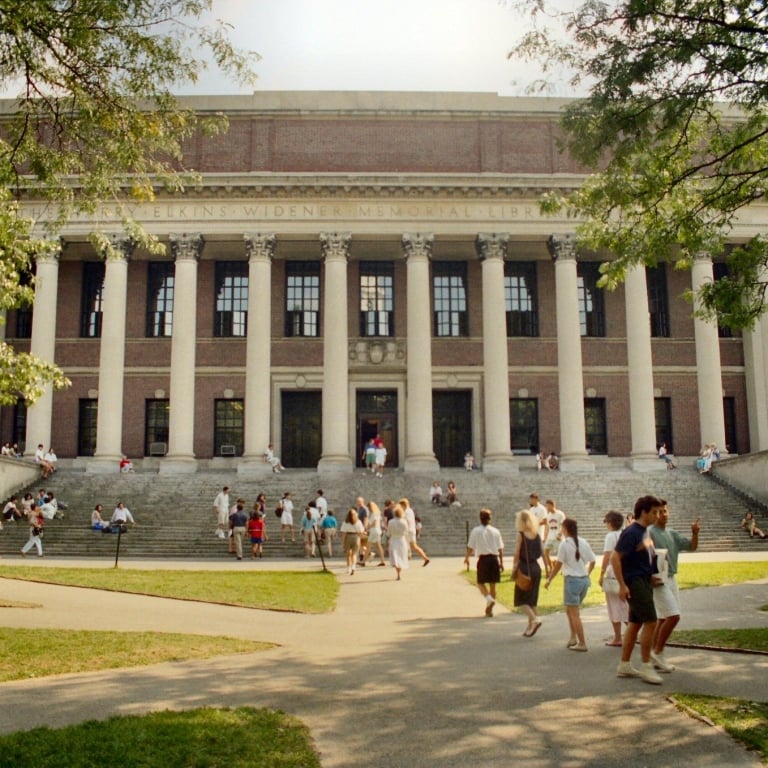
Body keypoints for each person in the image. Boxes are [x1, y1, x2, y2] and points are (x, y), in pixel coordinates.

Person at [610, 494, 664, 685]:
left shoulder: (644, 532)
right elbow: (615, 558)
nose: (658, 515)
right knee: (651, 621)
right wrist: (623, 585)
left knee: (635, 623)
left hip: (643, 580)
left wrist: (650, 575)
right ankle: (646, 666)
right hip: (634, 582)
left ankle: (624, 665)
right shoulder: (632, 532)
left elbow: (638, 556)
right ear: (644, 512)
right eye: (655, 512)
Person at [648, 502, 700, 672]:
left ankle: (654, 655)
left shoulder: (672, 533)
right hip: (658, 580)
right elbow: (642, 555)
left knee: (663, 618)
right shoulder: (650, 533)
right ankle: (657, 652)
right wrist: (648, 577)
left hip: (671, 578)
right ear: (654, 514)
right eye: (660, 512)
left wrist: (694, 533)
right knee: (674, 616)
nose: (664, 514)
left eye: (665, 511)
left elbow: (692, 547)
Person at [545, 518, 596, 651]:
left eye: (562, 527)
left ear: (565, 529)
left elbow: (558, 565)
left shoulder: (564, 544)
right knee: (570, 609)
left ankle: (582, 643)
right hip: (584, 580)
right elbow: (593, 561)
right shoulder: (583, 542)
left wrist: (549, 579)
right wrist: (587, 573)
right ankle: (573, 636)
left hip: (572, 581)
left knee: (574, 613)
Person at [464, 508, 504, 617]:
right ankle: (489, 609)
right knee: (493, 585)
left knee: (480, 583)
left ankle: (488, 599)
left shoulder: (476, 531)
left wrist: (467, 557)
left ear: (480, 518)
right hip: (494, 559)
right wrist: (501, 562)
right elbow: (500, 548)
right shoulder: (496, 531)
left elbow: (471, 546)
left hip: (483, 559)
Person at [598, 510, 628, 647]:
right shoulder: (624, 534)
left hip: (613, 571)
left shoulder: (610, 536)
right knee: (625, 603)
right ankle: (632, 632)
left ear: (610, 523)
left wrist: (601, 573)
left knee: (613, 605)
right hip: (625, 570)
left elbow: (607, 556)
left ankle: (617, 637)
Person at [513, 509, 544, 636]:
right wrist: (548, 569)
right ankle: (530, 626)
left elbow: (516, 553)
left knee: (521, 600)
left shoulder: (521, 534)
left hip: (525, 567)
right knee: (532, 599)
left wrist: (515, 567)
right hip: (536, 568)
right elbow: (542, 553)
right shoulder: (537, 534)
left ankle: (535, 620)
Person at [400, 497, 430, 566]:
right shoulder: (410, 510)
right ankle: (424, 558)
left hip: (408, 531)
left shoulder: (406, 512)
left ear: (403, 505)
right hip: (412, 530)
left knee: (405, 545)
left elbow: (406, 521)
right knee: (413, 546)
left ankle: (405, 559)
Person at [541, 499, 565, 576]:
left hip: (558, 535)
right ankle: (551, 566)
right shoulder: (548, 516)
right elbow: (547, 527)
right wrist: (545, 537)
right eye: (546, 506)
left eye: (548, 506)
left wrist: (560, 534)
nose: (547, 507)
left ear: (552, 505)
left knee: (561, 554)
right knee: (545, 552)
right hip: (550, 536)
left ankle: (563, 569)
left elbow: (563, 525)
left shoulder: (560, 514)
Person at [387, 503, 410, 580]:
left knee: (395, 556)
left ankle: (397, 572)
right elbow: (406, 533)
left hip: (394, 540)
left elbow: (388, 533)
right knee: (401, 556)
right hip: (402, 540)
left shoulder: (390, 522)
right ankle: (399, 573)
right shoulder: (404, 522)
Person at [340, 508, 364, 575]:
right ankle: (353, 566)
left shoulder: (345, 522)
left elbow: (344, 533)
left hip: (348, 537)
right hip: (356, 537)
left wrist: (343, 542)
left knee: (348, 554)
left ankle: (348, 568)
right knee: (354, 554)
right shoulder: (358, 522)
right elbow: (361, 532)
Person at [365, 501, 387, 566]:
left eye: (369, 507)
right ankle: (382, 561)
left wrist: (368, 527)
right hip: (376, 531)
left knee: (368, 546)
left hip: (374, 531)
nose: (369, 509)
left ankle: (363, 561)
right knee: (378, 546)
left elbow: (374, 523)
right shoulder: (377, 513)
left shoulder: (374, 514)